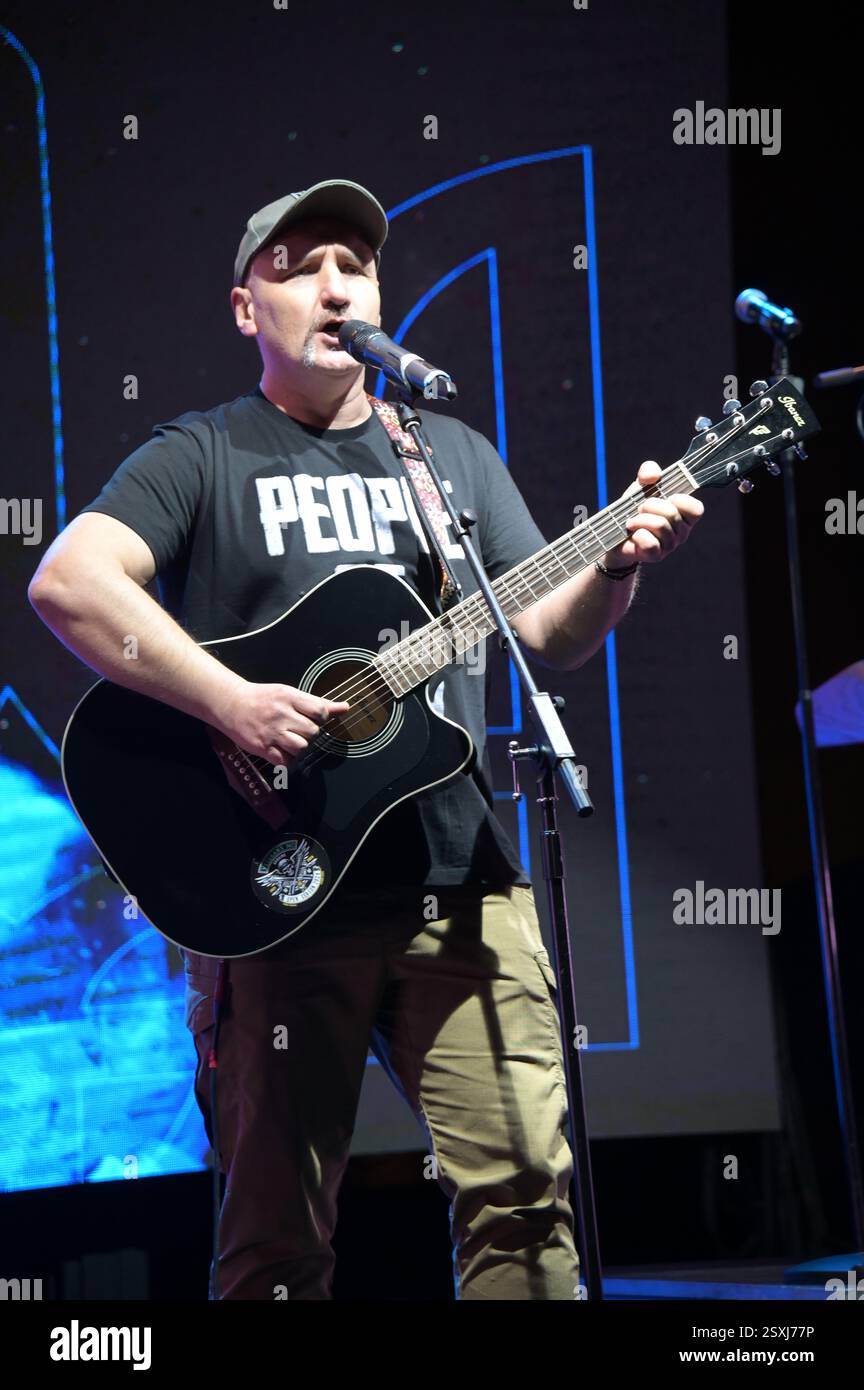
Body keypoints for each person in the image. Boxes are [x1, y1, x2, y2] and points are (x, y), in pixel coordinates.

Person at [28, 178, 704, 1300]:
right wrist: (228, 702)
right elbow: (69, 583)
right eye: (299, 266)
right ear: (248, 310)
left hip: (458, 880)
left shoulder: (446, 454)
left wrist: (615, 565)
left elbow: (549, 630)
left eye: (357, 265)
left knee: (527, 1194)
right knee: (276, 1244)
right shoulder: (200, 453)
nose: (336, 286)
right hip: (275, 888)